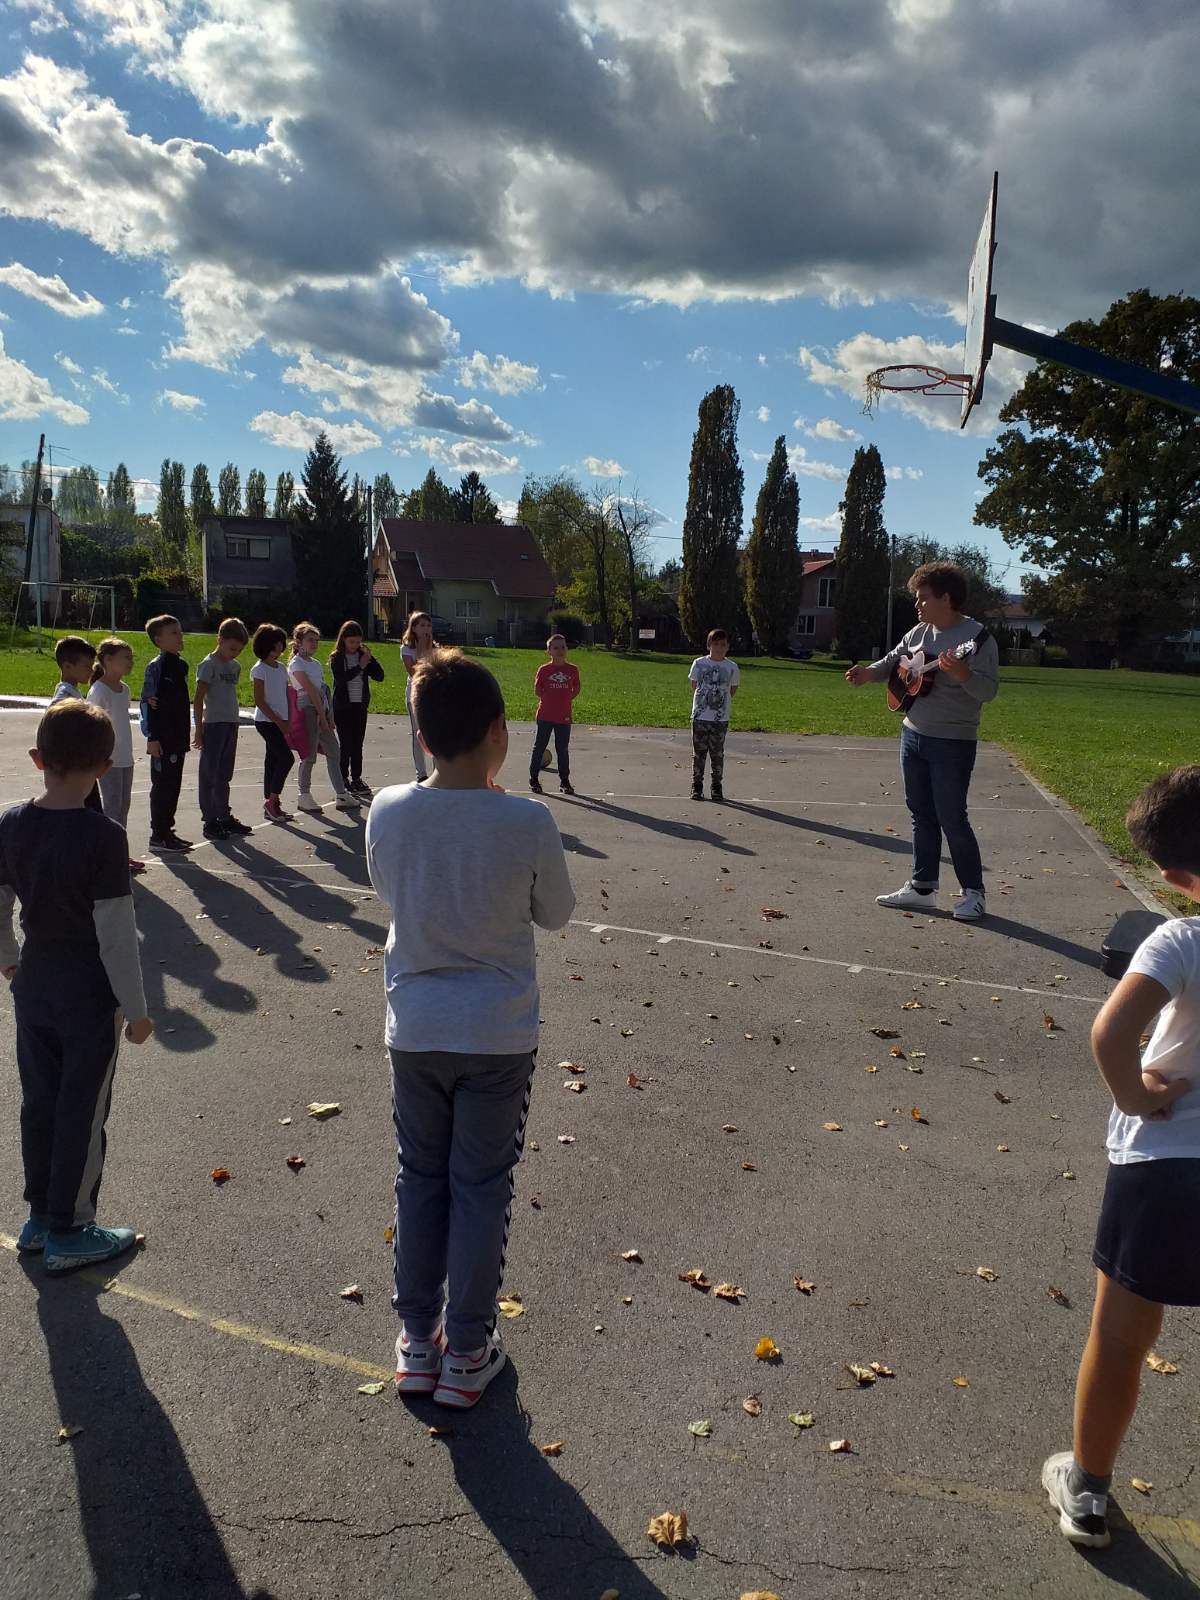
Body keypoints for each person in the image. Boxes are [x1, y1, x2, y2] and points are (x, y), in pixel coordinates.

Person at [365, 649, 575, 1408]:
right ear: (498, 732)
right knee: (481, 1186)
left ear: (422, 737)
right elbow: (556, 912)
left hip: (417, 1026)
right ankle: (469, 1344)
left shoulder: (388, 808)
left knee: (420, 1176)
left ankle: (418, 1336)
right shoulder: (526, 820)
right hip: (495, 1032)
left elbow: (387, 889)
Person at [1042, 766, 1200, 1548]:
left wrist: (1138, 1097)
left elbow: (1110, 1034)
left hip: (1167, 1169)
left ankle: (1088, 1491)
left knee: (1119, 1341)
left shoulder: (1181, 939)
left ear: (1173, 877)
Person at [0, 699, 153, 1273]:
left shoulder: (12, 823)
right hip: (88, 995)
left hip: (34, 985)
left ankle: (40, 1215)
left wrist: (9, 960)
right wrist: (136, 1009)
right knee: (82, 1110)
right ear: (105, 767)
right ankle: (70, 1227)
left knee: (39, 1102)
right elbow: (115, 934)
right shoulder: (103, 836)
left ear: (37, 757)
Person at [845, 561, 999, 922]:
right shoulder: (919, 631)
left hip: (952, 742)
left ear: (946, 598)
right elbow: (894, 661)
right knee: (921, 814)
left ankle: (974, 893)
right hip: (912, 733)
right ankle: (923, 887)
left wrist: (962, 672)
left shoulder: (978, 639)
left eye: (923, 597)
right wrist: (868, 674)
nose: (917, 604)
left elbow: (988, 691)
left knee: (952, 817)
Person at [287, 622, 360, 814]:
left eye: (316, 640)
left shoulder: (316, 664)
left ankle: (341, 794)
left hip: (321, 709)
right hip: (308, 709)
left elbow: (323, 691)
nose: (314, 644)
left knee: (334, 751)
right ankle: (304, 794)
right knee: (309, 754)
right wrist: (321, 716)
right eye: (310, 640)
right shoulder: (296, 664)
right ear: (298, 642)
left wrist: (329, 716)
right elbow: (310, 692)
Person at [86, 637, 143, 873]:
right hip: (108, 759)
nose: (130, 662)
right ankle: (108, 858)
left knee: (122, 807)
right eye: (125, 657)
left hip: (125, 756)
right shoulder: (99, 690)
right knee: (111, 808)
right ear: (108, 660)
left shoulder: (124, 689)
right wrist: (98, 757)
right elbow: (93, 726)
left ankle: (119, 854)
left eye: (131, 657)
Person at [193, 617, 252, 841]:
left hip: (230, 723)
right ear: (220, 640)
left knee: (224, 774)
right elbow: (199, 698)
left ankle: (223, 815)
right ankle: (210, 820)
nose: (235, 654)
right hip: (214, 724)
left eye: (239, 650)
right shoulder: (209, 665)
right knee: (209, 774)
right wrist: (199, 729)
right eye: (232, 648)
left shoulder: (235, 666)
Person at [140, 614, 193, 855]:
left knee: (174, 786)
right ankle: (158, 835)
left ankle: (167, 831)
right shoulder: (156, 667)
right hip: (162, 739)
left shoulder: (181, 666)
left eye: (180, 631)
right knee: (162, 786)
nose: (180, 636)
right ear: (158, 639)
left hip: (178, 736)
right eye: (174, 633)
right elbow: (147, 703)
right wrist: (151, 736)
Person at [330, 620, 384, 800]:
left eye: (358, 642)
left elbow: (380, 676)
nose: (354, 645)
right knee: (346, 743)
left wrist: (370, 659)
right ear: (343, 640)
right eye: (351, 642)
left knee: (357, 744)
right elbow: (341, 679)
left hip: (359, 706)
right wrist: (359, 666)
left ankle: (356, 778)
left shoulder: (362, 656)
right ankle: (343, 778)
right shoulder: (337, 658)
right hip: (343, 707)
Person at [52, 635, 103, 815]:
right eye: (86, 666)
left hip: (81, 768)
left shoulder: (72, 693)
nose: (91, 670)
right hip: (73, 771)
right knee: (86, 815)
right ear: (67, 667)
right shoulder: (64, 699)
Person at [249, 624, 295, 822]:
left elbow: (285, 695)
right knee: (287, 758)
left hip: (280, 720)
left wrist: (288, 719)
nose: (281, 646)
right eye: (277, 643)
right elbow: (260, 701)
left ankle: (270, 802)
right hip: (266, 721)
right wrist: (278, 721)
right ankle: (272, 799)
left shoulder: (281, 668)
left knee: (273, 760)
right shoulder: (259, 669)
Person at [688, 628, 739, 803]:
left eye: (723, 645)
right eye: (715, 644)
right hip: (700, 717)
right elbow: (694, 685)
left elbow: (732, 690)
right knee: (699, 754)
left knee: (717, 754)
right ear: (709, 645)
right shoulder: (699, 663)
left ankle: (716, 786)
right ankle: (697, 785)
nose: (719, 648)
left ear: (727, 647)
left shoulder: (732, 667)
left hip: (720, 718)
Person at [529, 633, 580, 797]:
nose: (560, 650)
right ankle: (534, 779)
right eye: (556, 648)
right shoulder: (544, 670)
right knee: (539, 747)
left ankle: (564, 780)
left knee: (562, 749)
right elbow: (538, 690)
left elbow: (576, 688)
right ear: (549, 651)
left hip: (563, 716)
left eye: (563, 647)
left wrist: (565, 699)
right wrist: (550, 698)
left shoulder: (572, 670)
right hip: (545, 715)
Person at [401, 611, 436, 781]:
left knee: (434, 733)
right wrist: (421, 648)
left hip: (432, 695)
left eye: (428, 625)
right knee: (418, 733)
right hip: (414, 695)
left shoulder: (435, 648)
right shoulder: (406, 649)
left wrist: (429, 648)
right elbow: (415, 672)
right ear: (413, 628)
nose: (426, 629)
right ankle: (421, 774)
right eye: (422, 625)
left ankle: (438, 772)